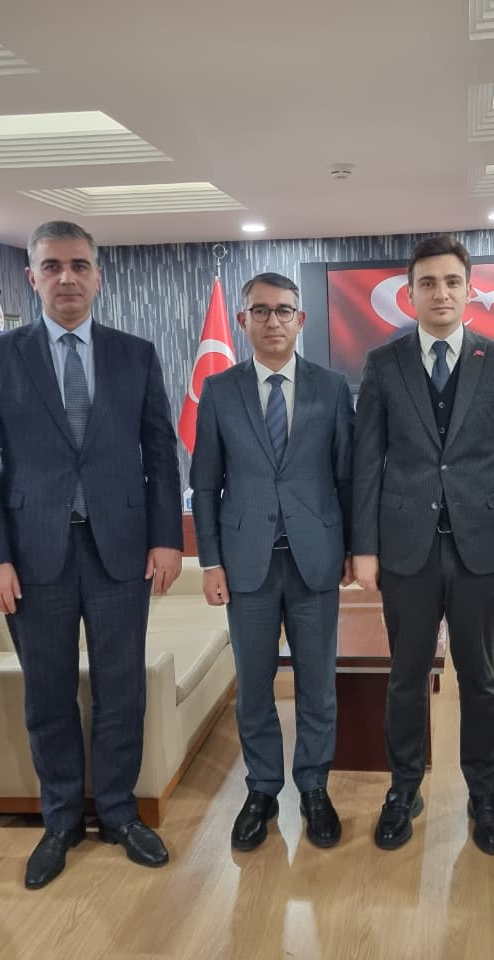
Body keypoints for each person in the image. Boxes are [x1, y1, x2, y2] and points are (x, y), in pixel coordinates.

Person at [0, 220, 183, 889]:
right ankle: (60, 821)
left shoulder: (135, 354)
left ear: (98, 275)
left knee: (122, 691)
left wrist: (166, 537)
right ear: (32, 276)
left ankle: (118, 813)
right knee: (48, 695)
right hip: (32, 559)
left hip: (121, 551)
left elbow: (161, 454)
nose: (67, 278)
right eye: (52, 266)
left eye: (79, 265)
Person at [352, 234, 494, 855]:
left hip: (480, 546)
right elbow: (366, 461)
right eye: (427, 283)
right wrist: (364, 547)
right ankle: (403, 787)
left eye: (452, 281)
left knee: (480, 677)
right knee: (406, 677)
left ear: (469, 290)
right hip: (405, 547)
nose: (440, 293)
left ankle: (484, 795)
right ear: (409, 294)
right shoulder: (384, 363)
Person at [190, 271, 354, 851]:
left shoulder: (332, 388)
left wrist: (352, 549)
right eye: (260, 311)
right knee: (255, 686)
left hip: (316, 560)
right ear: (243, 321)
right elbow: (204, 485)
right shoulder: (219, 390)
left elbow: (347, 476)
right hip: (245, 564)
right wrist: (210, 561)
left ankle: (313, 786)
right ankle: (262, 789)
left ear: (300, 319)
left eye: (284, 310)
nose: (273, 321)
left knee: (318, 684)